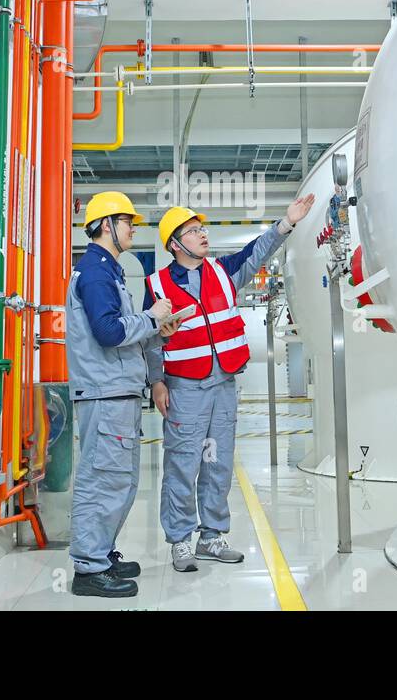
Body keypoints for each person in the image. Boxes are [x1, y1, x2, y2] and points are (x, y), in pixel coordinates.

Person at [145, 194, 315, 572]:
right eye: (193, 231)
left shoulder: (223, 272)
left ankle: (212, 537)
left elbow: (257, 252)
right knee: (181, 465)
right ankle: (180, 541)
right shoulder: (156, 284)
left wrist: (285, 223)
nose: (203, 235)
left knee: (217, 462)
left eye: (202, 229)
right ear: (175, 244)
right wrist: (157, 382)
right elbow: (152, 339)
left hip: (223, 385)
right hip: (184, 388)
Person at [66, 190, 178, 598]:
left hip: (117, 392)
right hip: (104, 392)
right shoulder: (95, 273)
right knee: (103, 480)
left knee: (121, 480)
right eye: (127, 221)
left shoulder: (108, 271)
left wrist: (152, 326)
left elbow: (120, 328)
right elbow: (109, 332)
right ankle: (88, 567)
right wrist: (150, 317)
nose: (132, 228)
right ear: (106, 225)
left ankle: (101, 552)